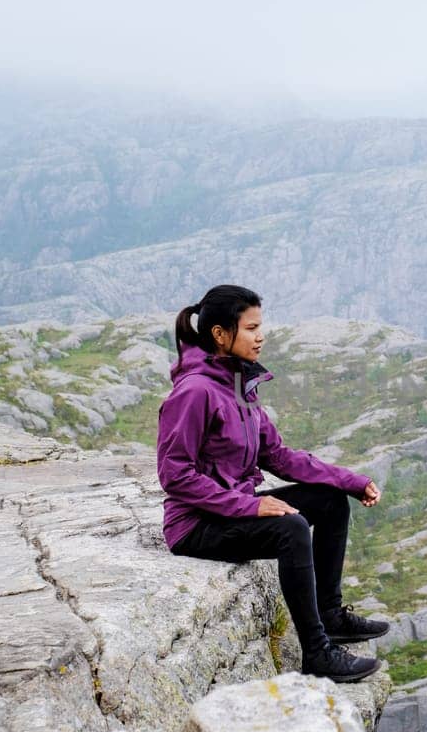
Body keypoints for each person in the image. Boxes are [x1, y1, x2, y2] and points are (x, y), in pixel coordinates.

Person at [157, 283, 390, 683]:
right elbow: (174, 474)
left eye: (260, 326)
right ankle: (316, 652)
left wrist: (350, 481)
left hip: (228, 510)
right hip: (195, 526)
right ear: (220, 333)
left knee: (331, 502)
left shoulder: (238, 387)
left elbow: (277, 456)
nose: (260, 336)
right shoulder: (195, 392)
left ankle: (330, 615)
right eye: (251, 328)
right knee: (291, 528)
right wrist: (250, 506)